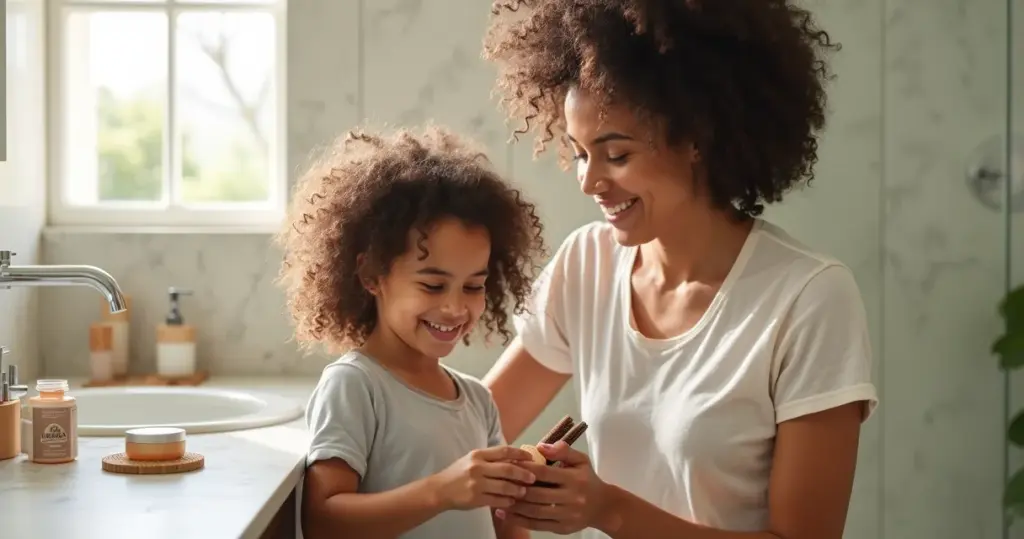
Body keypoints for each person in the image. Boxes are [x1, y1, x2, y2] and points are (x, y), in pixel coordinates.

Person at [480, 1, 879, 538]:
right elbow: (470, 429)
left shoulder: (809, 297)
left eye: (615, 155)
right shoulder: (587, 264)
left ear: (697, 138)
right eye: (579, 153)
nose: (589, 181)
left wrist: (609, 511)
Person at [276, 125, 548, 539]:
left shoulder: (477, 400)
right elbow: (323, 521)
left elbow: (503, 525)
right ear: (372, 275)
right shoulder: (356, 385)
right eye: (432, 285)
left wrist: (523, 492)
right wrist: (443, 490)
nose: (456, 307)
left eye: (473, 286)